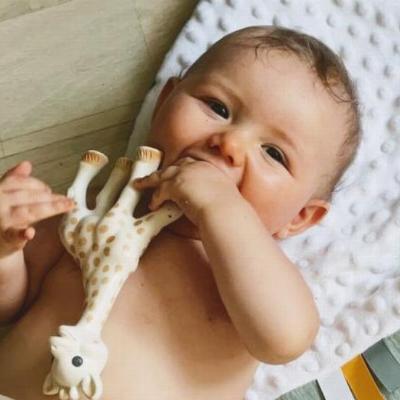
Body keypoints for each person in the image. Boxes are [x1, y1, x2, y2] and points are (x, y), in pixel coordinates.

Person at [0, 26, 360, 399]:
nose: (230, 144)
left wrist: (221, 208)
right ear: (165, 101)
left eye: (274, 153)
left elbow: (285, 341)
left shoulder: (257, 278)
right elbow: (10, 306)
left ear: (299, 217)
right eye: (218, 108)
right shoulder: (92, 212)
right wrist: (5, 251)